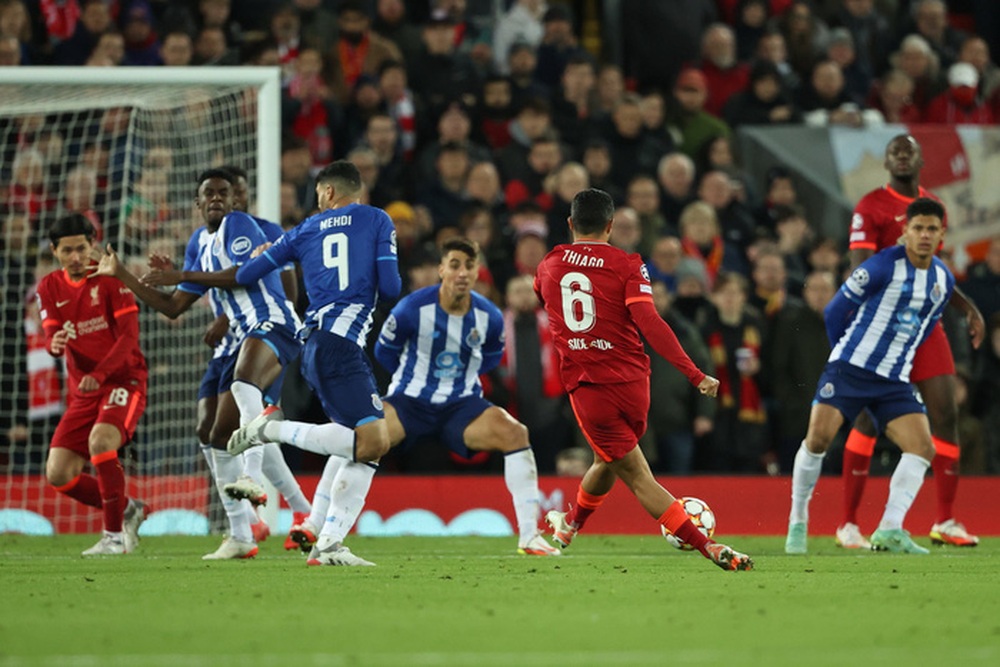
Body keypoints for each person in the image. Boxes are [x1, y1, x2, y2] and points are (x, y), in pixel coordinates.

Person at [235, 238, 561, 560]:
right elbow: (385, 353)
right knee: (364, 439)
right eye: (455, 265)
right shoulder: (412, 309)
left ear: (477, 272)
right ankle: (318, 526)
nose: (462, 272)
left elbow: (491, 359)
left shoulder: (488, 316)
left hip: (462, 406)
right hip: (410, 401)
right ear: (441, 270)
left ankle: (530, 535)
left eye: (469, 266)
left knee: (515, 433)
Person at [533, 188, 753, 572]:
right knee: (610, 459)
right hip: (635, 385)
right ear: (611, 226)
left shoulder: (549, 264)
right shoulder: (628, 264)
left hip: (591, 389)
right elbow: (650, 322)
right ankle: (570, 526)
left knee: (634, 473)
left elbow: (546, 300)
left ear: (570, 224)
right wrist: (695, 373)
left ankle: (710, 547)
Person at [91, 169, 303, 560]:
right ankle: (240, 534)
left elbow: (242, 274)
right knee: (213, 433)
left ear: (236, 200)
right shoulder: (198, 243)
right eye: (210, 194)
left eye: (225, 192)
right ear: (198, 202)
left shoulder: (241, 225)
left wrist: (182, 274)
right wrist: (123, 274)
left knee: (244, 387)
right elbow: (173, 306)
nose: (219, 198)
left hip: (272, 321)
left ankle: (253, 481)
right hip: (240, 335)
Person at [223, 160, 401, 567]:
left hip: (318, 343)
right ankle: (271, 428)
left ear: (327, 193)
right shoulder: (376, 219)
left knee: (362, 444)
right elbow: (390, 286)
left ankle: (328, 543)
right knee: (374, 441)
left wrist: (269, 254)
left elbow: (248, 272)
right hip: (341, 343)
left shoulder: (304, 229)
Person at [837, 134, 984, 549]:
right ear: (886, 162)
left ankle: (946, 520)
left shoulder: (932, 206)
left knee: (946, 414)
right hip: (882, 329)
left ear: (920, 160)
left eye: (909, 151)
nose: (902, 156)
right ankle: (848, 524)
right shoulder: (870, 207)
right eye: (894, 151)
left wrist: (966, 308)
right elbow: (860, 271)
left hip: (924, 324)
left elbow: (933, 268)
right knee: (868, 418)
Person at [786, 198, 955, 555]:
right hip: (850, 369)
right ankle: (797, 520)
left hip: (892, 380)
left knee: (923, 447)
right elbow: (835, 311)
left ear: (942, 234)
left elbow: (925, 328)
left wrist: (902, 359)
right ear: (905, 231)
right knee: (817, 440)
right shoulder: (881, 266)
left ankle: (890, 529)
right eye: (918, 228)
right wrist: (842, 356)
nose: (924, 235)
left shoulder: (942, 279)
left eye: (932, 229)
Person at [174, 164, 312, 551]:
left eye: (234, 191)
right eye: (216, 193)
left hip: (264, 333)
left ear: (241, 195)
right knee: (222, 429)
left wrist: (233, 319)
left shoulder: (264, 230)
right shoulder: (205, 237)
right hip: (229, 343)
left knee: (250, 414)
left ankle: (274, 510)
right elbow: (183, 300)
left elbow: (281, 287)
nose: (228, 198)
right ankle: (265, 518)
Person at [38, 214, 148, 556]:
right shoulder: (49, 287)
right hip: (84, 391)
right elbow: (52, 335)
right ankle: (128, 508)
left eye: (82, 249)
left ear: (93, 246)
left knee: (101, 441)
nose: (76, 257)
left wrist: (100, 375)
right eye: (67, 250)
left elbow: (129, 338)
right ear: (55, 251)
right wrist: (53, 344)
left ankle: (113, 537)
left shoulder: (111, 280)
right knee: (59, 474)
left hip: (123, 381)